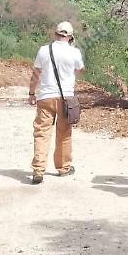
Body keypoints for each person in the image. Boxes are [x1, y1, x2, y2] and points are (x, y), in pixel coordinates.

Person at [28, 21, 86, 185]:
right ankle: (63, 168)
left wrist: (32, 93)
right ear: (70, 37)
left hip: (45, 97)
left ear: (55, 34)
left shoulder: (43, 50)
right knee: (64, 133)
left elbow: (35, 75)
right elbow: (81, 70)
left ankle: (38, 170)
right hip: (66, 98)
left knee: (41, 133)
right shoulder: (74, 52)